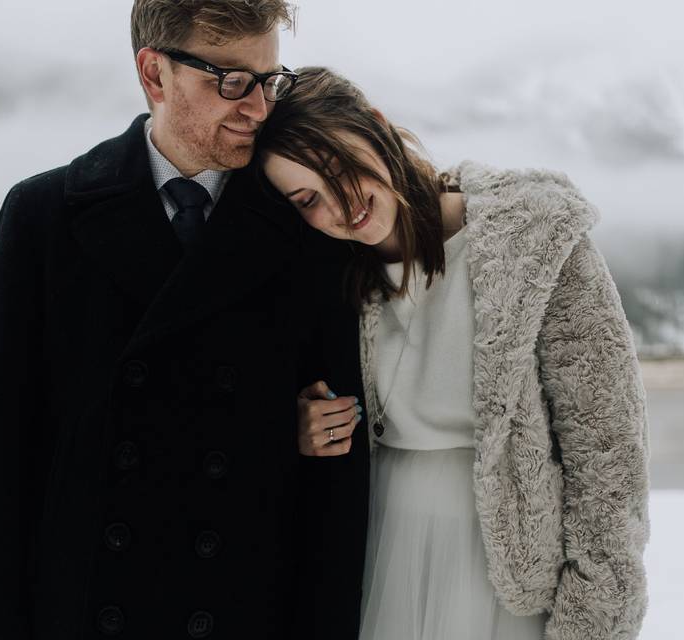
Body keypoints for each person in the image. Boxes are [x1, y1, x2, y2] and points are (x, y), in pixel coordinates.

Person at [0, 5, 371, 639]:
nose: (258, 108)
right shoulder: (42, 219)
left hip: (244, 611)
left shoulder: (306, 229)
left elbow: (334, 499)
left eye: (268, 79)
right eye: (230, 80)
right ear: (154, 74)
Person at [257, 67, 651, 640]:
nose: (340, 204)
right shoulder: (326, 279)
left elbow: (608, 449)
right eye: (307, 198)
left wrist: (595, 619)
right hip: (372, 557)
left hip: (504, 574)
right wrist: (296, 427)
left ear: (376, 127)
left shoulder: (535, 246)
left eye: (339, 166)